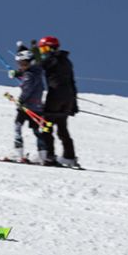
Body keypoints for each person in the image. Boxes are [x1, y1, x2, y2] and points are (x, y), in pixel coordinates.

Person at [37, 35, 79, 168]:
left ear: (50, 47)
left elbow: (38, 67)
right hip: (68, 98)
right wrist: (74, 104)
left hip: (55, 96)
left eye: (43, 49)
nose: (43, 52)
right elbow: (72, 82)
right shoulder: (66, 61)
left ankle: (49, 156)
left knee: (46, 126)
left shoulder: (51, 58)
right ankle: (69, 157)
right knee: (62, 128)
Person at [9, 49, 48, 163]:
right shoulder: (37, 72)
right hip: (37, 106)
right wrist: (17, 73)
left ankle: (18, 153)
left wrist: (20, 101)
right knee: (36, 130)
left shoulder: (29, 75)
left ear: (30, 62)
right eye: (20, 64)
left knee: (17, 126)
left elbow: (27, 89)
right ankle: (43, 156)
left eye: (24, 63)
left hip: (26, 106)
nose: (22, 66)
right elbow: (27, 74)